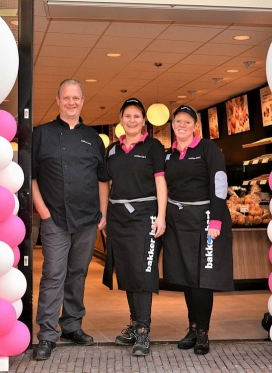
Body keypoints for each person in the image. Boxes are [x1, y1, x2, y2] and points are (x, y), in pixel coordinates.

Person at [32, 79, 110, 360]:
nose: (71, 102)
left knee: (78, 274)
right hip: (55, 219)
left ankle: (72, 326)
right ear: (57, 100)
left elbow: (103, 179)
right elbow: (30, 178)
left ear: (83, 100)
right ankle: (47, 335)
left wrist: (103, 213)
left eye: (76, 98)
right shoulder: (42, 134)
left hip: (88, 220)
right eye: (66, 97)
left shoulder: (94, 137)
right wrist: (42, 210)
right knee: (53, 275)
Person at [163, 104, 234, 355]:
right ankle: (192, 327)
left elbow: (219, 183)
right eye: (177, 122)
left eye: (186, 122)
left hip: (205, 220)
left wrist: (216, 220)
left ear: (195, 126)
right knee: (187, 279)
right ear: (172, 125)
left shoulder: (208, 149)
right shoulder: (168, 154)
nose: (181, 126)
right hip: (178, 222)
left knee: (203, 279)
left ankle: (203, 332)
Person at [102, 98, 167, 356]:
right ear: (121, 119)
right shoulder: (112, 151)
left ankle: (143, 330)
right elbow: (106, 184)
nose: (132, 120)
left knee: (143, 272)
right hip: (119, 218)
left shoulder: (153, 147)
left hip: (146, 217)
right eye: (127, 116)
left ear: (144, 120)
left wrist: (161, 216)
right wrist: (105, 215)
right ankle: (134, 323)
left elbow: (161, 183)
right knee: (128, 272)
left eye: (137, 116)